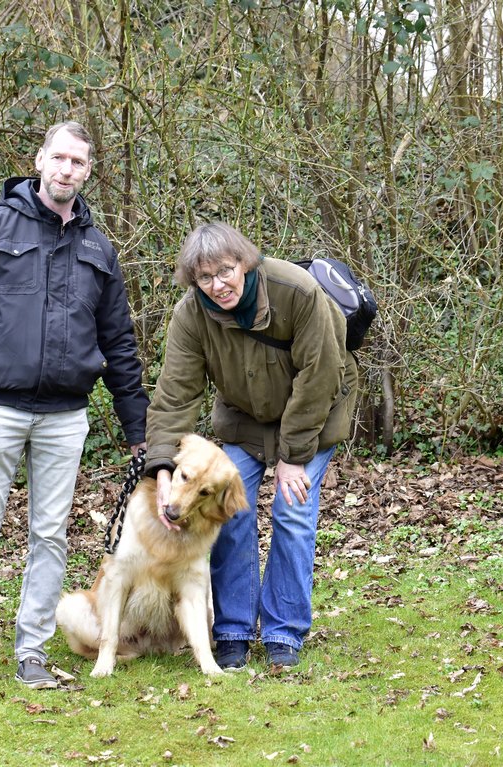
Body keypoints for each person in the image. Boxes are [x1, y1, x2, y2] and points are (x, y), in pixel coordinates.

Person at [0, 121, 149, 692]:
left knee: (50, 536)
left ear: (88, 171)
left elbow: (119, 342)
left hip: (64, 416)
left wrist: (138, 426)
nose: (66, 169)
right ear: (39, 160)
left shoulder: (99, 249)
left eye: (78, 162)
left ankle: (31, 650)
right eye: (59, 158)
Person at [143, 222, 358, 671]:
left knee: (292, 508)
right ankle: (233, 632)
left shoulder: (297, 291)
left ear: (245, 263)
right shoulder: (190, 315)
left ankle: (284, 632)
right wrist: (162, 468)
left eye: (226, 271)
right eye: (205, 277)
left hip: (314, 416)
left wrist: (293, 459)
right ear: (193, 280)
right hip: (245, 421)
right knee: (225, 508)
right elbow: (175, 395)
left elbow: (320, 376)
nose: (218, 285)